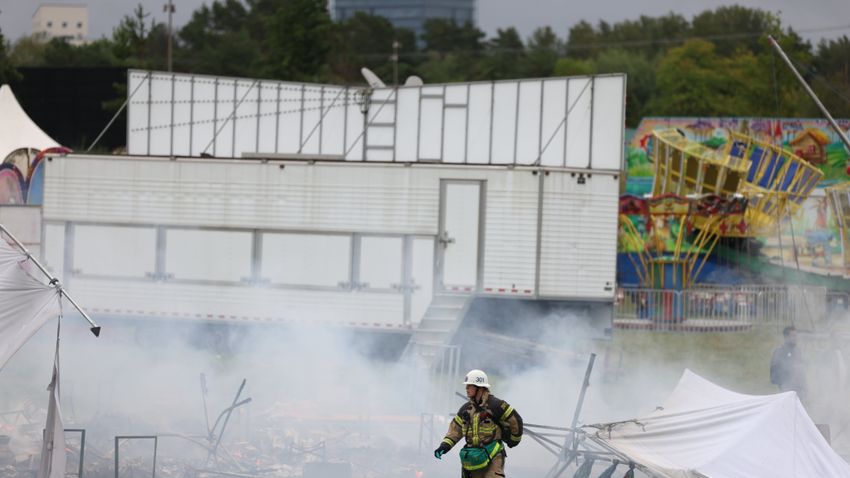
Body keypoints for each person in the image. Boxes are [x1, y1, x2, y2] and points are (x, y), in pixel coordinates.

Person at [433, 369, 523, 478]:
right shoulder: (465, 409)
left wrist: (514, 440)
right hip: (473, 460)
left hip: (493, 456)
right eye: (466, 386)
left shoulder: (496, 405)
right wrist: (444, 446)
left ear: (479, 387)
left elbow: (516, 421)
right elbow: (455, 430)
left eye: (469, 386)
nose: (466, 389)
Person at [770, 326, 806, 397]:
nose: (795, 338)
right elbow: (774, 373)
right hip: (786, 388)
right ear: (786, 337)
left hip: (799, 389)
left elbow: (801, 370)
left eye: (796, 335)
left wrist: (804, 388)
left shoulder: (797, 351)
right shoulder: (779, 352)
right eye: (793, 336)